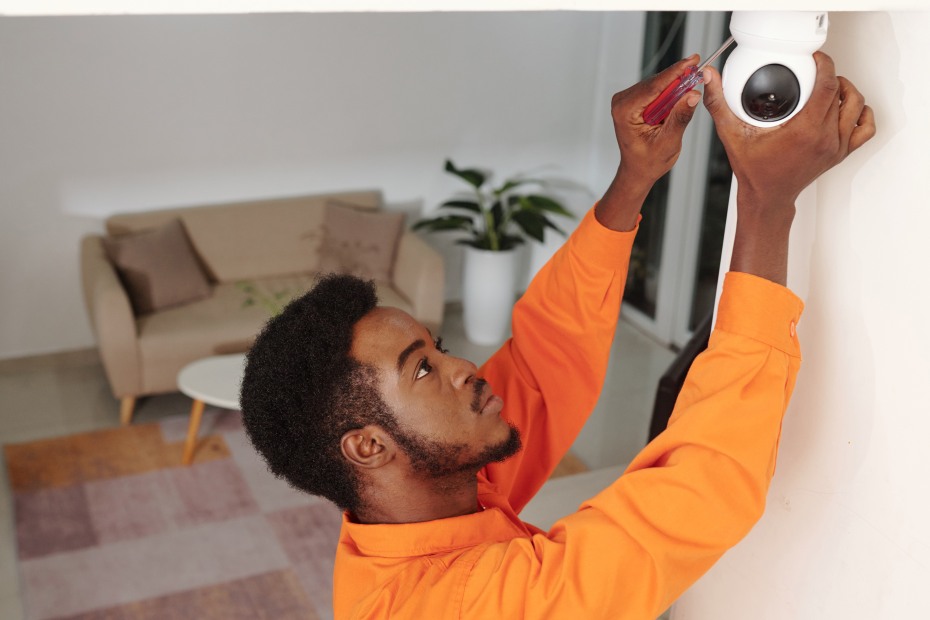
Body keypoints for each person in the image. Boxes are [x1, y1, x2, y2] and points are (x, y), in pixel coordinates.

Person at [240, 51, 875, 619]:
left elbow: (547, 361)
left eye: (436, 346)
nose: (463, 365)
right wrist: (767, 203)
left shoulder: (421, 496)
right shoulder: (464, 605)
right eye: (423, 370)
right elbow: (701, 486)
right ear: (369, 447)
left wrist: (635, 177)